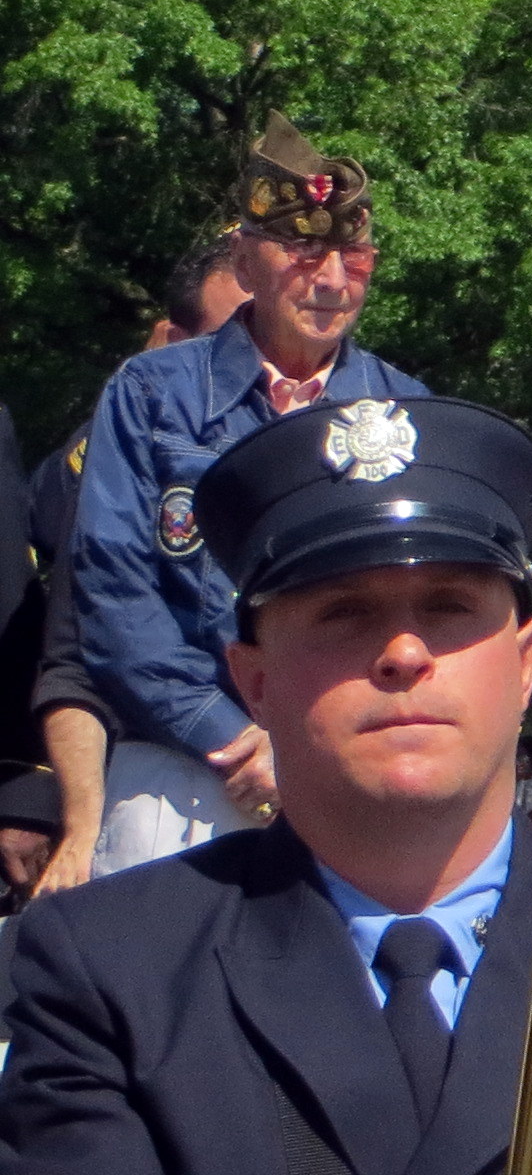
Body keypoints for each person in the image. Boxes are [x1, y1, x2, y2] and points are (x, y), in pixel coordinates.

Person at [0, 393, 532, 1172]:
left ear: (526, 662)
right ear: (255, 682)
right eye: (344, 613)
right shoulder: (112, 970)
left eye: (448, 606)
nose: (404, 653)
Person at [68, 127, 426, 877]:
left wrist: (318, 748)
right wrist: (233, 737)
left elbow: (417, 605)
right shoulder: (152, 392)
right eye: (302, 252)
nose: (331, 279)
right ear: (244, 261)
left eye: (353, 257)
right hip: (178, 776)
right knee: (149, 990)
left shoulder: (405, 412)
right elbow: (113, 591)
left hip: (345, 778)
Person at [27, 246, 249, 908]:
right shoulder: (118, 464)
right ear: (168, 345)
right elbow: (78, 654)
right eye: (231, 338)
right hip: (175, 792)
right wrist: (80, 828)